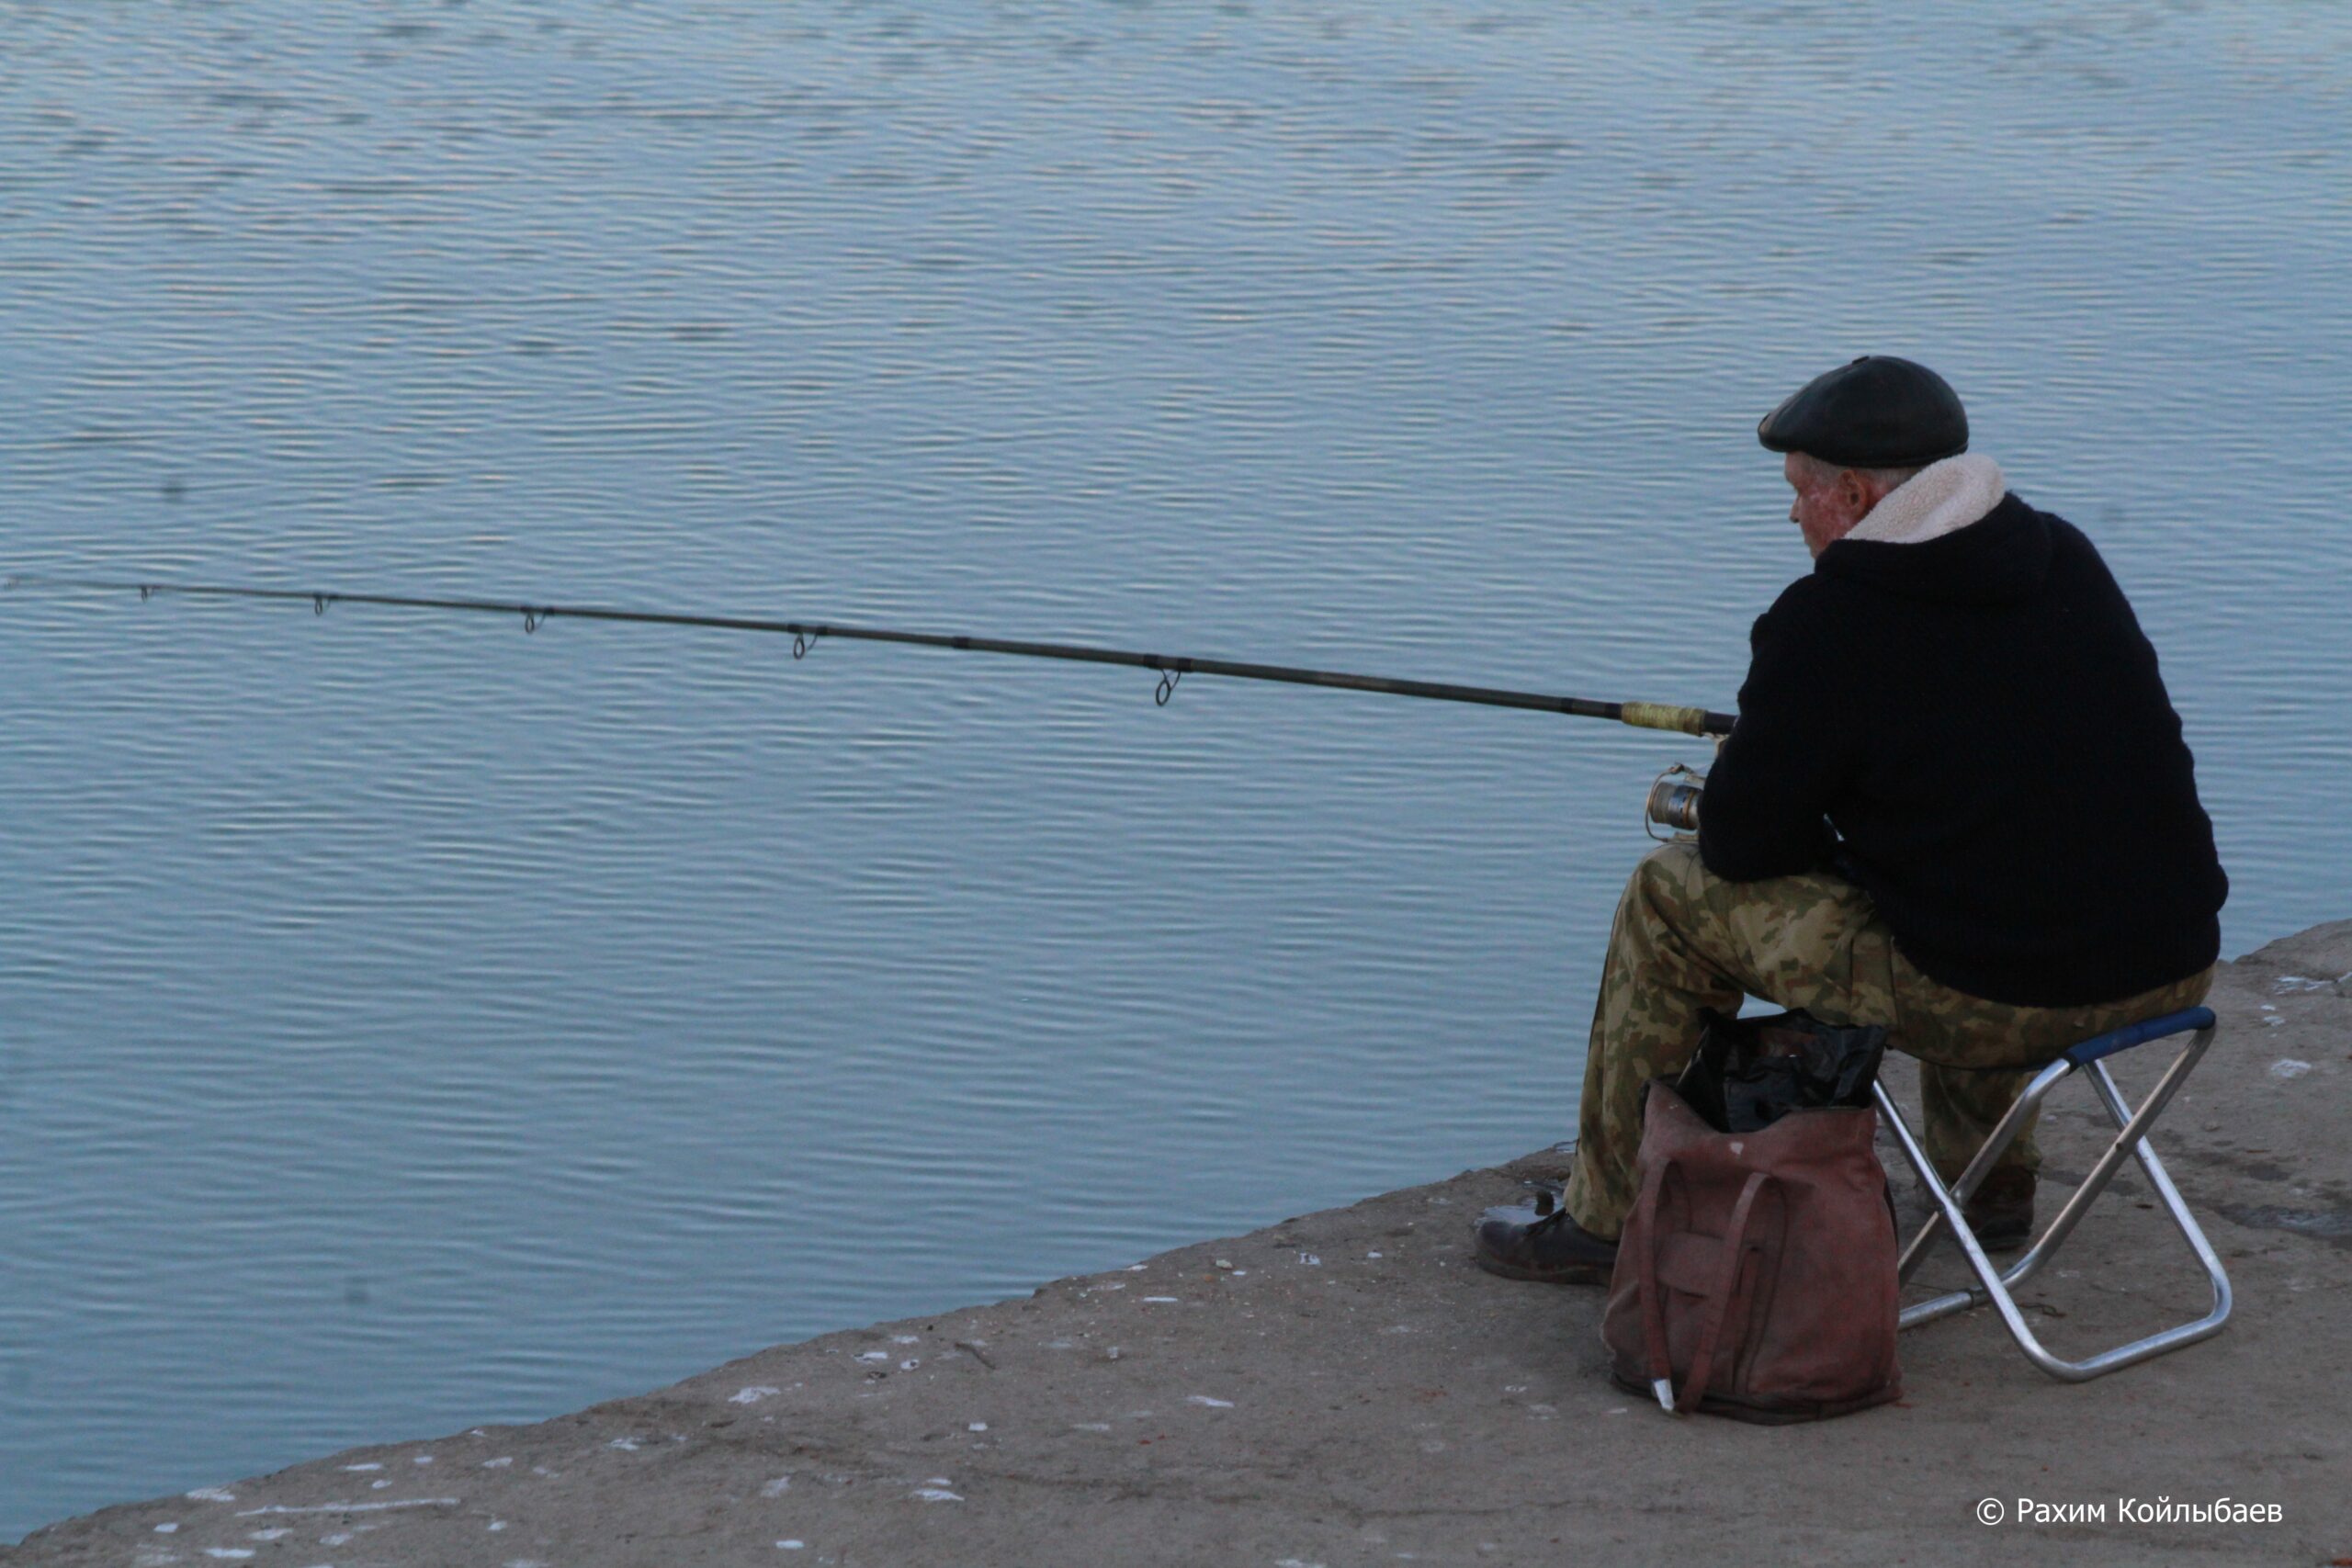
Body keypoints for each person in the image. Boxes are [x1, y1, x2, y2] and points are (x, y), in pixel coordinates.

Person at [1477, 355, 2229, 1282]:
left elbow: (1742, 846)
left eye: (1799, 492)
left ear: (1856, 493)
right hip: (2171, 967)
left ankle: (1607, 1222)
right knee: (1984, 879)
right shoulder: (2059, 555)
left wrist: (1760, 780)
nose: (1791, 514)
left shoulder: (1828, 622)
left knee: (1668, 896)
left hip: (2002, 1004)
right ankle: (1988, 1192)